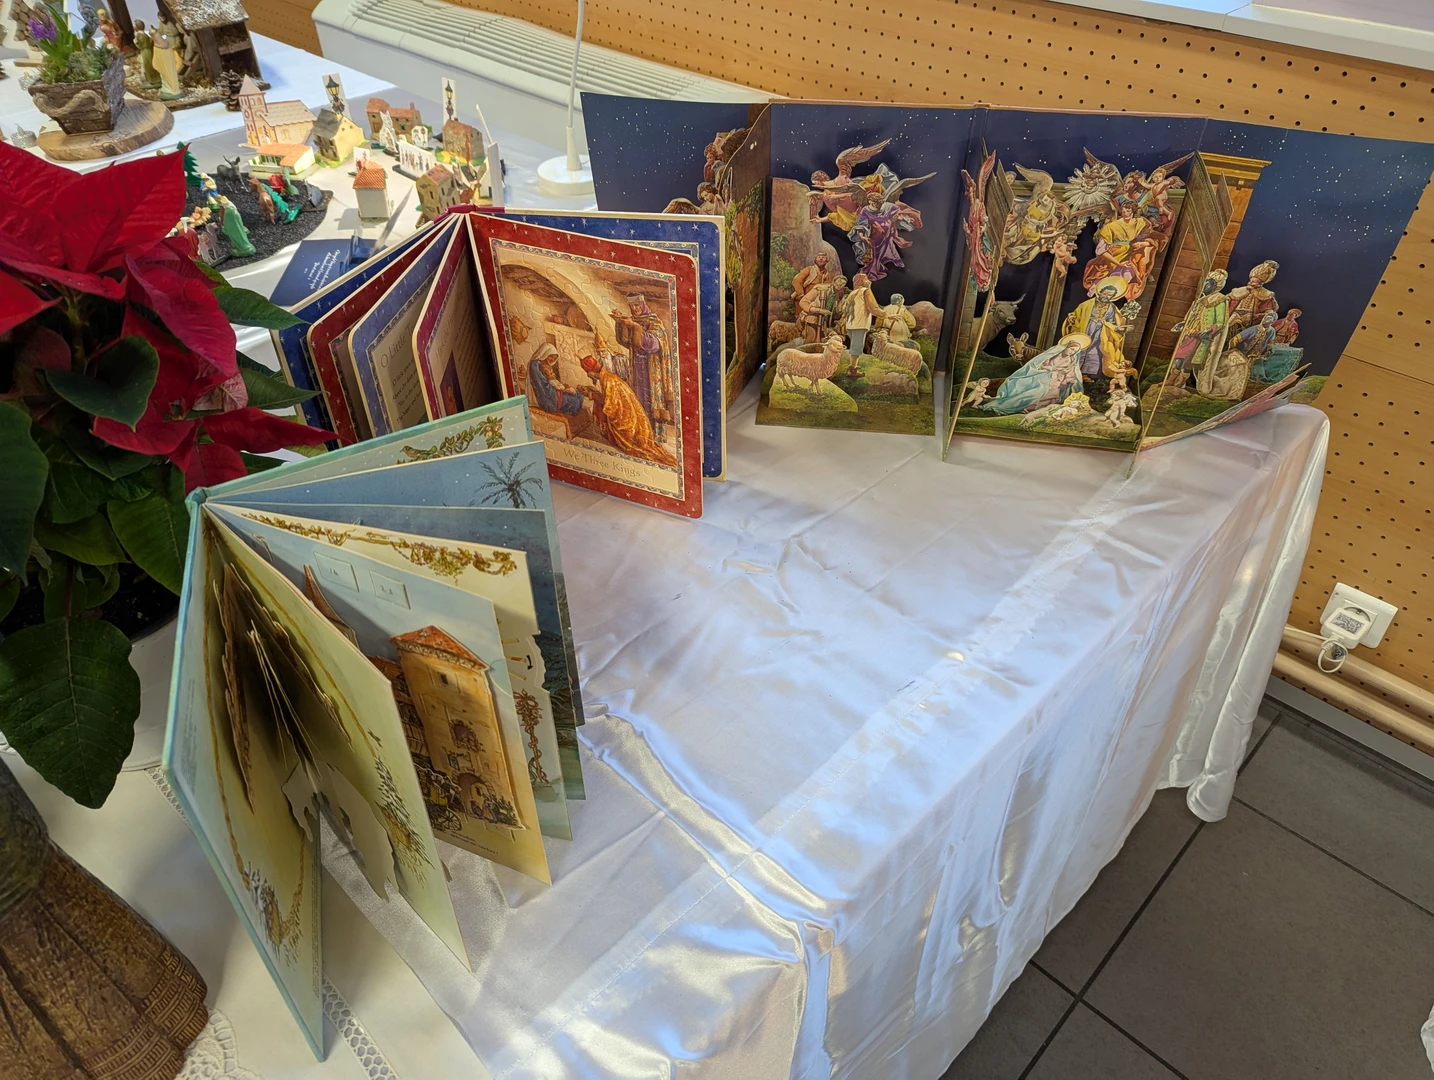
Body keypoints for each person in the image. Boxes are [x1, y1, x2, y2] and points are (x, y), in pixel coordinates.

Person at [577, 354, 678, 467]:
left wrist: (591, 394)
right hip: (630, 415)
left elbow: (611, 405)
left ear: (592, 372)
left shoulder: (608, 380)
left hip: (628, 421)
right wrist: (592, 393)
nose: (588, 375)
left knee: (638, 447)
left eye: (588, 372)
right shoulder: (608, 377)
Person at [612, 294, 674, 441]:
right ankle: (641, 431)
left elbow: (653, 345)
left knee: (651, 402)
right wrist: (620, 323)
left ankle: (653, 435)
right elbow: (625, 341)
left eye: (637, 305)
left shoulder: (655, 323)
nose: (634, 309)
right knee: (638, 399)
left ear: (643, 305)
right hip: (637, 367)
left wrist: (636, 327)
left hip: (652, 371)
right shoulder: (634, 320)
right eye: (632, 306)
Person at [979, 334, 1087, 416]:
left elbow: (1070, 373)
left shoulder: (1071, 360)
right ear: (1066, 347)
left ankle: (1033, 410)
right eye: (1072, 349)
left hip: (1058, 381)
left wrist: (1068, 379)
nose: (1072, 352)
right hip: (1043, 376)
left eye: (1075, 351)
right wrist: (1048, 368)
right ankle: (1020, 406)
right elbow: (1041, 364)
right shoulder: (1053, 355)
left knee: (1053, 394)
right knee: (1038, 389)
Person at [1061, 275, 1134, 391]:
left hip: (1101, 333)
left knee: (1094, 352)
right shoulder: (1087, 304)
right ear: (1100, 292)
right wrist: (1072, 318)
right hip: (1085, 329)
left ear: (1113, 297)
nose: (1106, 296)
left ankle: (1086, 375)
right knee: (1080, 350)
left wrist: (1118, 328)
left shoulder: (1112, 308)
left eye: (1109, 295)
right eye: (1105, 294)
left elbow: (1113, 323)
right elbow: (1076, 315)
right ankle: (1072, 373)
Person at [1168, 269, 1229, 389]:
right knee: (1181, 356)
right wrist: (1183, 324)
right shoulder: (1199, 300)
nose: (1205, 285)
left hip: (1201, 335)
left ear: (1215, 286)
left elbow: (1221, 321)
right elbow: (1192, 316)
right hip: (1190, 332)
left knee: (1187, 359)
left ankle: (1177, 381)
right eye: (1205, 282)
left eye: (1208, 283)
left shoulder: (1220, 300)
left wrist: (1209, 331)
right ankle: (1173, 380)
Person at [1200, 311, 1277, 400]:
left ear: (1272, 322)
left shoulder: (1271, 331)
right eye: (1267, 318)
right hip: (1242, 354)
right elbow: (1236, 339)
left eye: (1270, 319)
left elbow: (1270, 342)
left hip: (1256, 357)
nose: (1267, 320)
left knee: (1257, 373)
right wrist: (1232, 350)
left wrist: (1269, 350)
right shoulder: (1254, 329)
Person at [842, 271, 882, 373]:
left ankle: (853, 366)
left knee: (855, 345)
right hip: (860, 324)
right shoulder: (866, 291)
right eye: (866, 279)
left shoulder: (852, 293)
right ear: (862, 281)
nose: (868, 281)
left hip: (850, 324)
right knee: (857, 347)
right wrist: (887, 315)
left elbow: (844, 310)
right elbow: (873, 308)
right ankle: (853, 370)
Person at [527, 344, 583, 416]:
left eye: (554, 358)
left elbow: (549, 382)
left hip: (552, 392)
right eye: (551, 356)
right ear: (545, 353)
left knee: (577, 394)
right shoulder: (535, 364)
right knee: (573, 399)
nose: (552, 360)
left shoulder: (544, 364)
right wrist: (559, 390)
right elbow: (541, 385)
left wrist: (561, 387)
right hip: (549, 396)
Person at [1226, 260, 1279, 334]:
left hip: (1250, 317)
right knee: (1227, 327)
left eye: (1253, 281)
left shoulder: (1266, 294)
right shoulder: (1240, 290)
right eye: (1250, 281)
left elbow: (1268, 309)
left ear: (1259, 284)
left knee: (1243, 333)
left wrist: (1267, 314)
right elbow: (1228, 298)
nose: (1250, 283)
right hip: (1235, 314)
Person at [132, 19, 160, 88]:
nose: (133, 26)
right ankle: (154, 78)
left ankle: (153, 80)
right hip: (148, 51)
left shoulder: (139, 35)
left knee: (147, 66)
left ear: (137, 26)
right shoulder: (145, 34)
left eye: (134, 25)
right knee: (149, 65)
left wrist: (135, 40)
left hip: (145, 52)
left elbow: (139, 46)